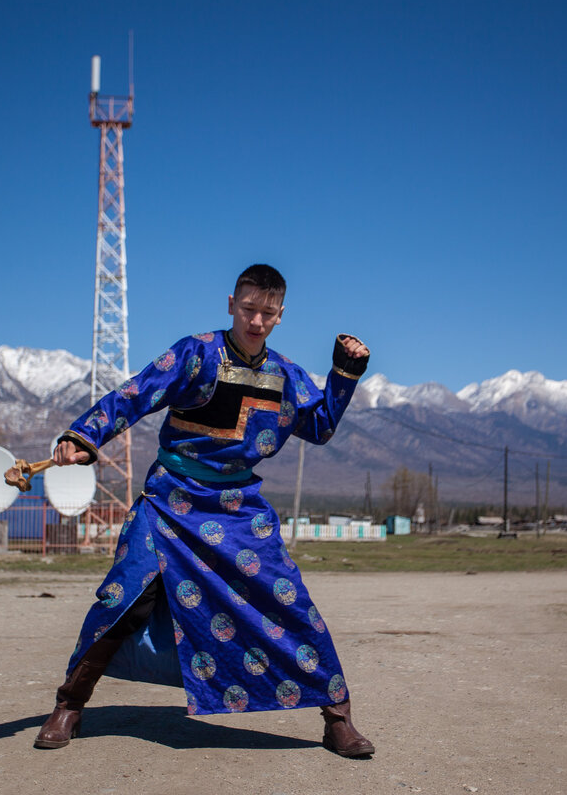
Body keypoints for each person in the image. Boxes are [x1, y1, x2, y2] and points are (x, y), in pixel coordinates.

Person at [25, 263, 375, 757]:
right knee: (124, 599)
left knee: (290, 602)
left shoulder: (286, 375)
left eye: (267, 313)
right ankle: (69, 705)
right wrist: (84, 436)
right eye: (249, 309)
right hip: (170, 501)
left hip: (239, 508)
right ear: (231, 304)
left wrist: (344, 374)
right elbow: (136, 393)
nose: (256, 321)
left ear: (280, 316)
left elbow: (318, 426)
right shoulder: (196, 353)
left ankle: (337, 717)